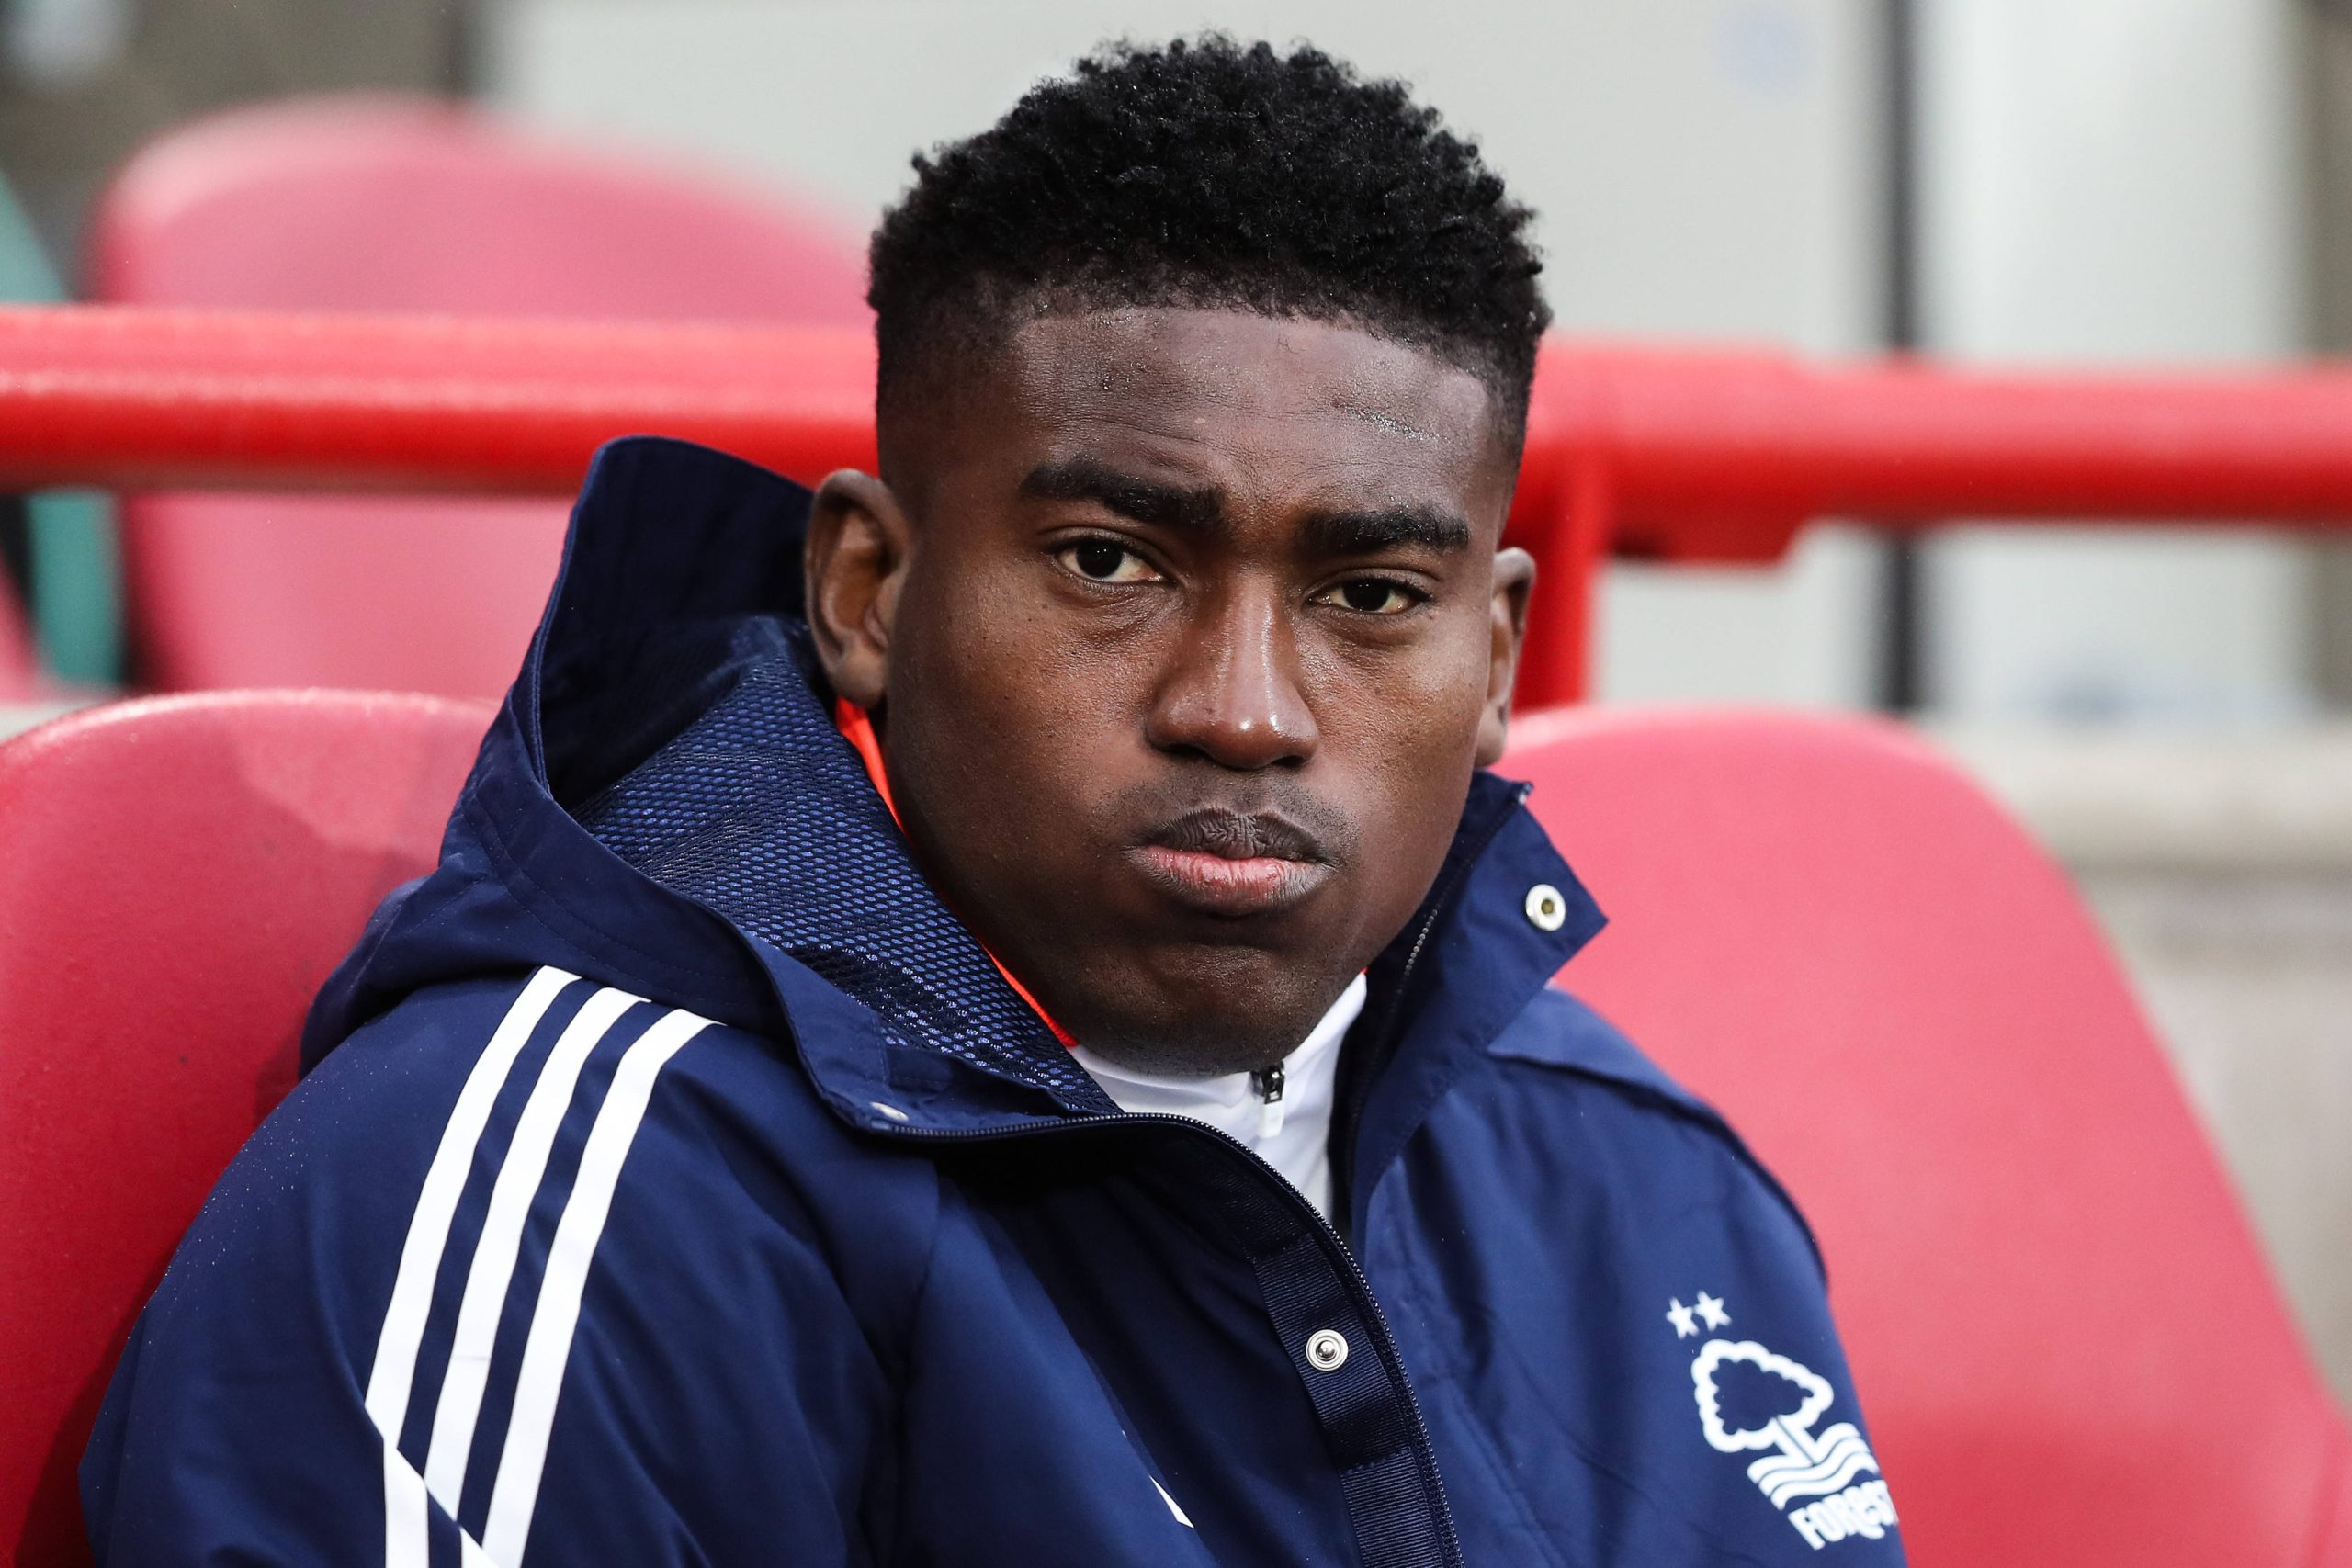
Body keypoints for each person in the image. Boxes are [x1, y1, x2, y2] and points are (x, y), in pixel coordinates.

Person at [82, 37, 1904, 1567]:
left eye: (1367, 598)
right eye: (1112, 559)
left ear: (1493, 654)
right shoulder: (569, 1185)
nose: (1245, 712)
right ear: (867, 589)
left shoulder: (1640, 1178)